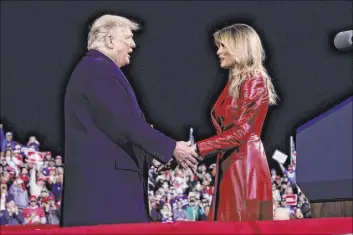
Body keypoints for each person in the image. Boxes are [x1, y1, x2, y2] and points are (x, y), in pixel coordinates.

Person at [61, 14, 198, 227]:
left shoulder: (97, 69)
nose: (133, 44)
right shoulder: (99, 70)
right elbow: (124, 122)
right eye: (128, 38)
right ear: (109, 40)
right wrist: (171, 147)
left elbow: (112, 128)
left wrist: (150, 156)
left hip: (107, 192)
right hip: (106, 196)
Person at [192, 23, 278, 221]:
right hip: (234, 162)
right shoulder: (236, 82)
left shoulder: (253, 81)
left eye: (223, 46)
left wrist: (198, 149)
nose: (218, 51)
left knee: (237, 225)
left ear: (239, 47)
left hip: (244, 165)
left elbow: (241, 132)